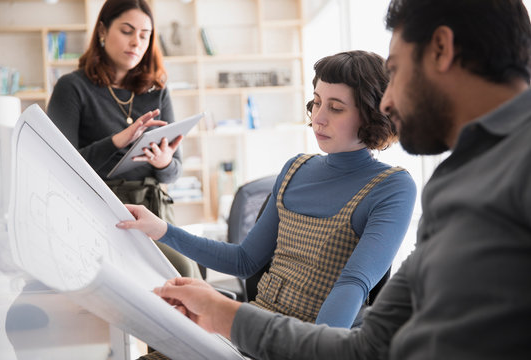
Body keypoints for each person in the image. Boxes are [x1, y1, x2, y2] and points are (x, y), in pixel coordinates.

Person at [145, 0, 531, 359]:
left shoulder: (470, 177)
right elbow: (372, 345)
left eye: (394, 72)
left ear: (442, 50)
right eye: (317, 103)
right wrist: (221, 313)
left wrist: (225, 315)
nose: (387, 102)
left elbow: (358, 312)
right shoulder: (456, 182)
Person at [117, 50, 417, 329]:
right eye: (316, 102)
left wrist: (310, 350)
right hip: (253, 328)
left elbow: (353, 284)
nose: (319, 117)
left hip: (308, 341)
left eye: (336, 108)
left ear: (373, 115)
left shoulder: (392, 187)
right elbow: (244, 260)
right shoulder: (296, 168)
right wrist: (161, 229)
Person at [47, 0, 201, 279]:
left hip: (155, 211)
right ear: (103, 31)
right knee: (182, 272)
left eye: (144, 35)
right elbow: (61, 167)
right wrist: (116, 141)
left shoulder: (157, 92)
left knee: (190, 269)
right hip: (103, 211)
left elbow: (173, 173)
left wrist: (164, 162)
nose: (136, 42)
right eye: (127, 31)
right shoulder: (72, 88)